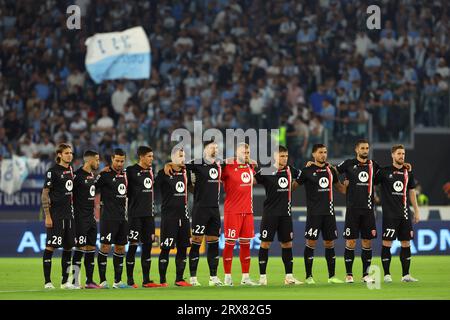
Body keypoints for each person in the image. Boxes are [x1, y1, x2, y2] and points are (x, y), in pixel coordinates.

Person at [164, 139, 223, 286]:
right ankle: (193, 278)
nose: (215, 149)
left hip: (214, 210)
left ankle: (213, 277)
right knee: (196, 242)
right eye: (212, 147)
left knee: (214, 243)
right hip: (200, 209)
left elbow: (235, 161)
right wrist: (168, 164)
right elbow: (180, 164)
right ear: (205, 150)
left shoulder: (219, 165)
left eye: (216, 147)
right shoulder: (197, 163)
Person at [293, 144, 346, 284]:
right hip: (314, 214)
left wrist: (353, 185)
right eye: (320, 152)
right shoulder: (307, 171)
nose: (323, 155)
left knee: (329, 243)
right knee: (311, 242)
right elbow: (293, 186)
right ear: (313, 154)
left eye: (325, 152)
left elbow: (341, 189)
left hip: (329, 213)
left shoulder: (331, 170)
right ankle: (309, 276)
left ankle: (332, 276)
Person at [255, 145, 303, 285]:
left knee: (287, 244)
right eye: (282, 156)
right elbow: (250, 181)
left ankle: (289, 277)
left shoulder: (291, 170)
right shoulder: (266, 171)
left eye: (286, 156)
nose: (284, 159)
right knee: (265, 243)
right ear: (275, 157)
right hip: (270, 214)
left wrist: (310, 165)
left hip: (285, 214)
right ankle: (262, 278)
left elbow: (305, 176)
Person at [336, 139, 380, 283]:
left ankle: (365, 275)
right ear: (356, 149)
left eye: (367, 148)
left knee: (367, 242)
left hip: (368, 210)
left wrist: (403, 167)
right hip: (353, 210)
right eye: (362, 148)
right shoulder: (349, 163)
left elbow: (387, 174)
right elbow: (331, 170)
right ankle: (349, 275)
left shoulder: (373, 165)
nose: (365, 150)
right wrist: (341, 186)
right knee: (351, 242)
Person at [375, 144, 420, 282]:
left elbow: (412, 192)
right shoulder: (384, 172)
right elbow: (371, 183)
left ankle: (406, 275)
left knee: (406, 243)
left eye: (403, 154)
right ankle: (387, 275)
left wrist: (416, 210)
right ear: (392, 155)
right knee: (387, 243)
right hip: (389, 215)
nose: (401, 156)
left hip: (405, 214)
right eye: (399, 153)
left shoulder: (408, 173)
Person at [221, 143, 259, 286]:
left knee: (245, 244)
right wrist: (225, 161)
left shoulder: (251, 166)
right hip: (232, 212)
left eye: (248, 151)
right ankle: (227, 278)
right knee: (230, 244)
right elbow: (215, 169)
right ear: (237, 152)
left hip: (248, 211)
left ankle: (245, 278)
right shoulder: (228, 166)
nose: (246, 153)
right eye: (243, 151)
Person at [155, 147, 192, 287]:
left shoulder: (187, 171)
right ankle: (163, 281)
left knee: (183, 248)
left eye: (184, 155)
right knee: (165, 248)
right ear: (173, 157)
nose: (183, 158)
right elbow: (153, 188)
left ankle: (179, 279)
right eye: (180, 155)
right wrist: (167, 165)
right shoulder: (164, 173)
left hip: (184, 216)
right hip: (169, 217)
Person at [41, 143, 77, 289]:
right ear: (60, 155)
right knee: (50, 247)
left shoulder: (70, 170)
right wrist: (47, 216)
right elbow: (45, 194)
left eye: (71, 153)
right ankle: (48, 282)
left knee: (68, 248)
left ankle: (64, 282)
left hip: (69, 216)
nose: (70, 155)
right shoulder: (52, 172)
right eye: (67, 153)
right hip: (56, 216)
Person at [95, 148, 131, 289]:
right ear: (112, 159)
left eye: (122, 161)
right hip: (108, 217)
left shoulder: (126, 175)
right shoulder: (104, 175)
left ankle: (117, 281)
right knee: (105, 246)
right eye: (117, 160)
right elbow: (91, 188)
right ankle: (103, 281)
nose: (120, 163)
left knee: (121, 248)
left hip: (123, 217)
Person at [125, 146, 160, 288]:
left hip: (149, 216)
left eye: (152, 156)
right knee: (133, 246)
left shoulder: (151, 171)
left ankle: (146, 280)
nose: (152, 159)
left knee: (147, 247)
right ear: (141, 157)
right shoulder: (131, 171)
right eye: (149, 156)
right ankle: (130, 280)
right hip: (135, 215)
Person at [72, 150, 101, 289]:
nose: (98, 162)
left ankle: (89, 281)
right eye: (97, 160)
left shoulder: (92, 176)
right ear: (89, 160)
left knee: (90, 249)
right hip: (80, 219)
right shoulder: (76, 176)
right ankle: (75, 281)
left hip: (91, 219)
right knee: (80, 248)